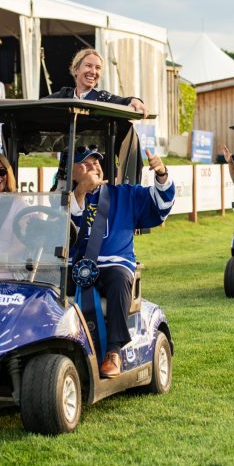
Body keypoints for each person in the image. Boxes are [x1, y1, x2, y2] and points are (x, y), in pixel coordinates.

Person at [69, 146, 175, 378]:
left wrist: (161, 175)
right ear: (72, 171)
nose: (94, 167)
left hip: (113, 264)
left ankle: (113, 352)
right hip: (74, 266)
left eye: (96, 162)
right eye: (85, 164)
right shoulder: (63, 197)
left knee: (119, 278)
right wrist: (81, 191)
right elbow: (66, 226)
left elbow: (161, 208)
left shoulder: (124, 195)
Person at [49, 48, 148, 116]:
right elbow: (41, 105)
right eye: (88, 66)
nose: (93, 72)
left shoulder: (103, 97)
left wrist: (134, 100)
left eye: (98, 68)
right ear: (76, 69)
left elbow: (123, 101)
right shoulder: (64, 95)